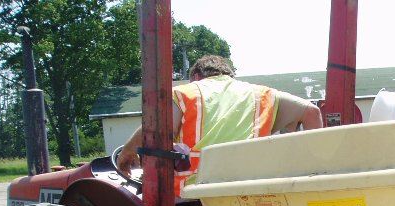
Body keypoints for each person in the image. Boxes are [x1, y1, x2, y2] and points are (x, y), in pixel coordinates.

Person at [117, 54, 323, 197]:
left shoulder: (184, 94)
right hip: (251, 187)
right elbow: (312, 112)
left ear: (196, 76)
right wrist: (313, 170)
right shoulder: (262, 94)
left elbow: (155, 130)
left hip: (194, 192)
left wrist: (127, 152)